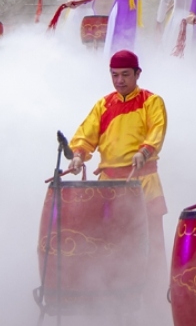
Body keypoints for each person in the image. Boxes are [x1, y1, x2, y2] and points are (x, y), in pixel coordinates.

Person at [68, 50, 168, 295]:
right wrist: (78, 156)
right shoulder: (103, 105)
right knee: (109, 244)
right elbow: (85, 135)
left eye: (125, 75)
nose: (120, 80)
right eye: (115, 75)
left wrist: (144, 152)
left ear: (137, 74)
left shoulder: (152, 102)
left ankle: (153, 301)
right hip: (109, 187)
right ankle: (111, 297)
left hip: (143, 182)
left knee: (150, 246)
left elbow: (157, 132)